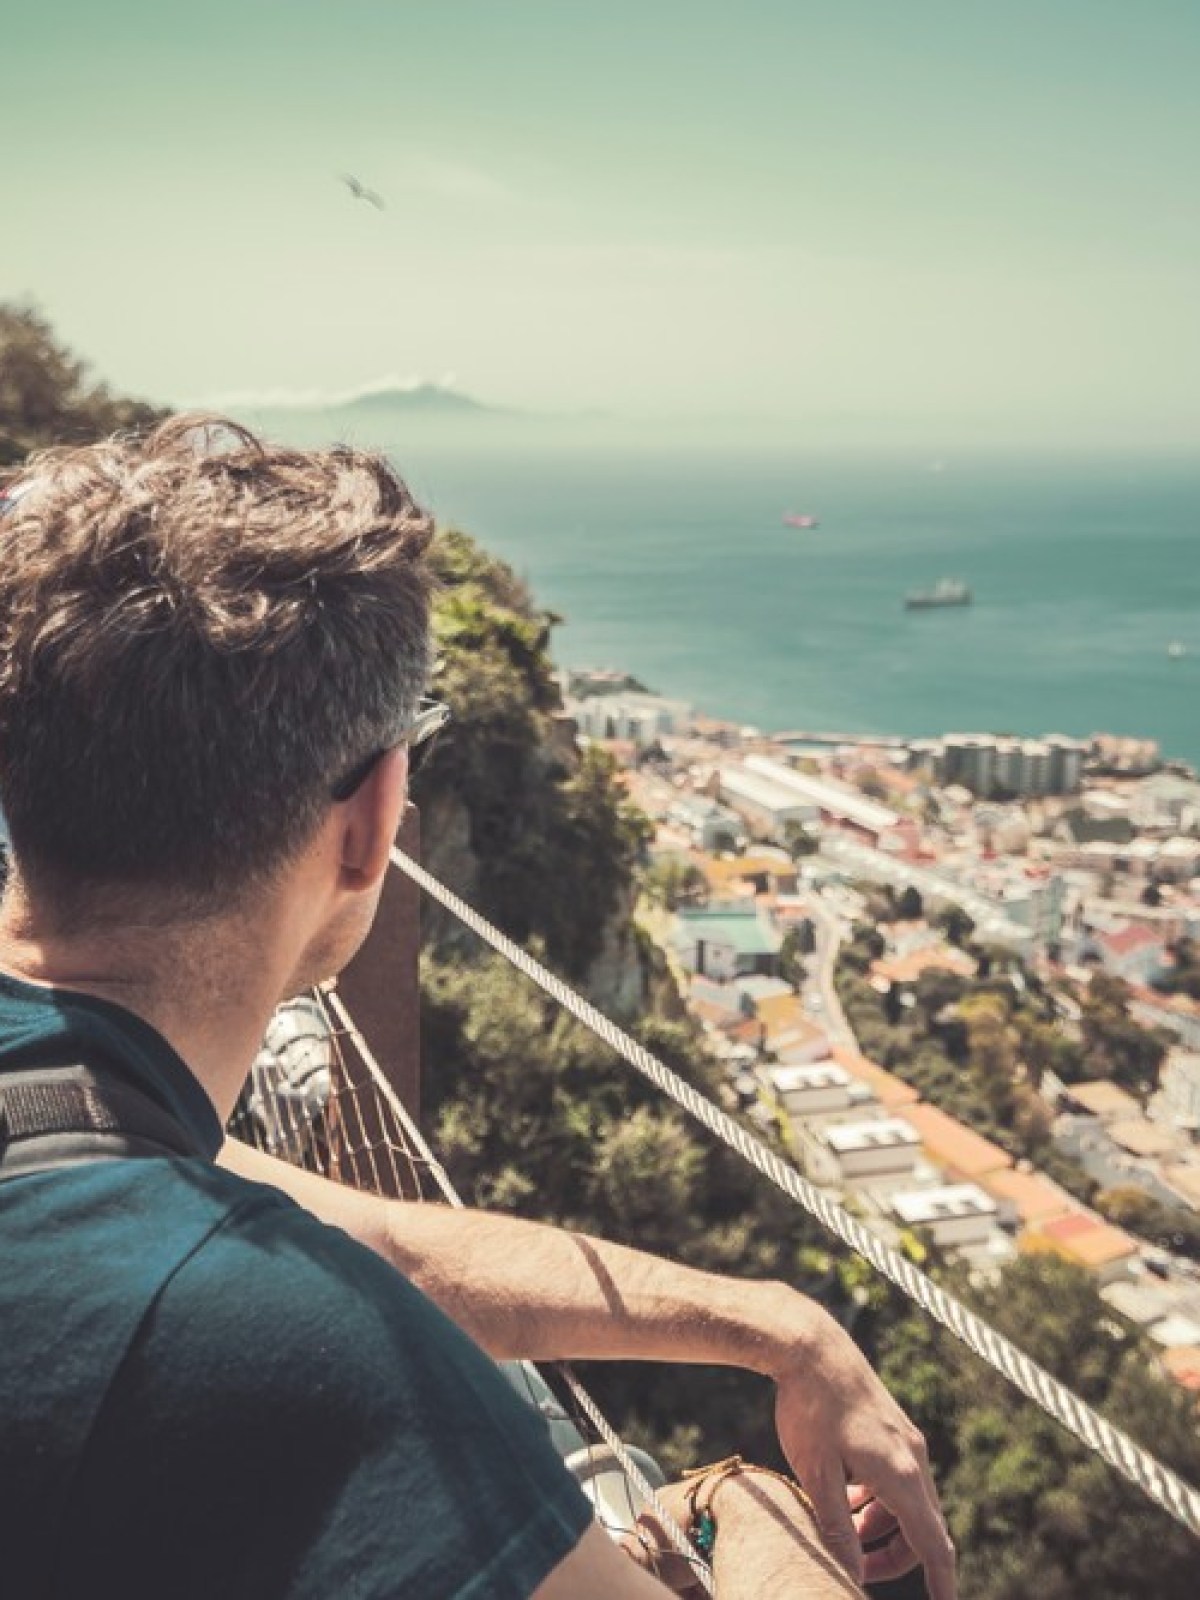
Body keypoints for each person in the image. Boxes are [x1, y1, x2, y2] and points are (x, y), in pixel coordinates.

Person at [0, 418, 954, 1599]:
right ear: (373, 822)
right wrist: (737, 1510)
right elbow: (285, 1299)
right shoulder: (326, 1369)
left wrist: (774, 1324)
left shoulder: (75, 1118)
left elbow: (375, 1241)